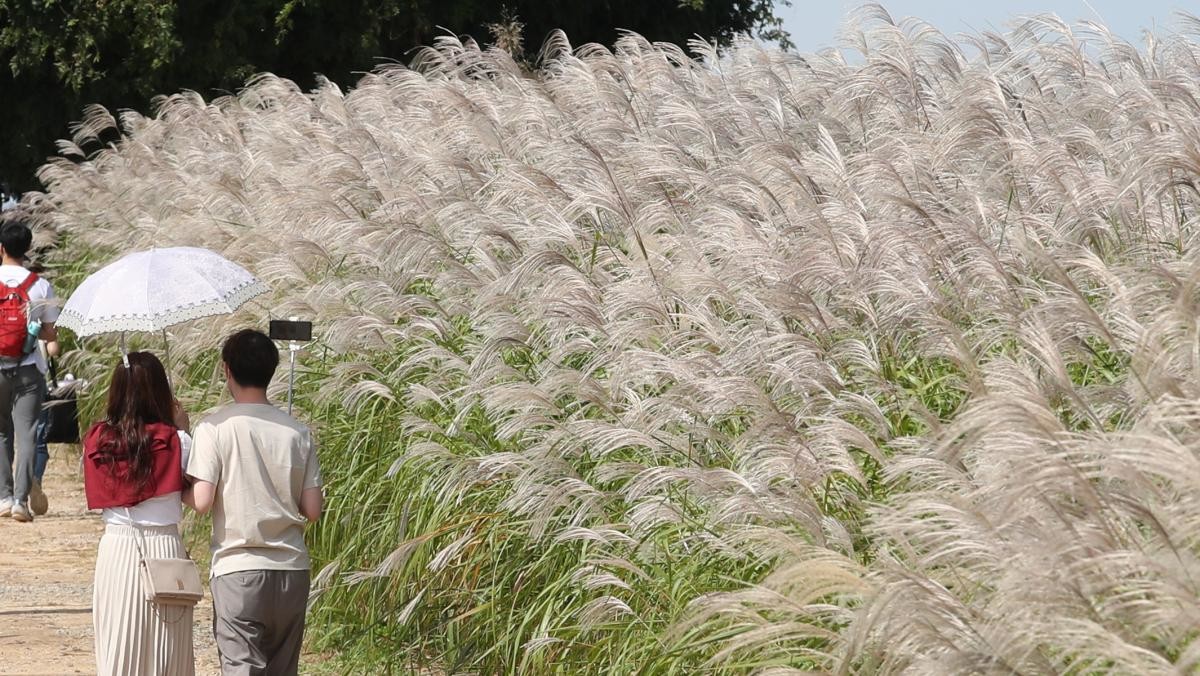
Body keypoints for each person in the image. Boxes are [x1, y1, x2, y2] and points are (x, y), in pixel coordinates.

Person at [186, 328, 323, 675]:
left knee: (242, 667)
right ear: (272, 370)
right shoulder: (297, 431)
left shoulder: (213, 428)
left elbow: (202, 502)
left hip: (239, 568)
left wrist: (177, 486)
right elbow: (313, 510)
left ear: (227, 370)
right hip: (292, 570)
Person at [83, 351, 194, 675]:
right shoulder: (177, 440)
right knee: (168, 652)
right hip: (165, 546)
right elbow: (195, 488)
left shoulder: (97, 440)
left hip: (117, 548)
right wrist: (183, 427)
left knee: (119, 649)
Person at [0, 219, 58, 522]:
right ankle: (21, 502)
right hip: (28, 369)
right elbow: (51, 335)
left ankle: (4, 498)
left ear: (1, 249)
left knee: (0, 432)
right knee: (27, 434)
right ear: (28, 249)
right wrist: (33, 332)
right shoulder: (40, 285)